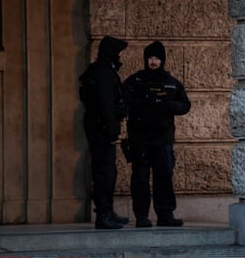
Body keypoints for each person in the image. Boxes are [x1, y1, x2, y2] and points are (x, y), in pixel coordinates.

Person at [123, 41, 191, 227]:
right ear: (146, 59)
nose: (153, 62)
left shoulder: (171, 83)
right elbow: (122, 101)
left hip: (163, 139)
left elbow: (185, 105)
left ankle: (165, 215)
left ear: (162, 60)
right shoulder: (135, 81)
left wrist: (167, 105)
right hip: (140, 139)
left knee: (164, 178)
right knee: (140, 180)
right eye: (150, 58)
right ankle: (142, 216)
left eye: (157, 58)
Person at [79, 36, 129, 229]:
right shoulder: (104, 74)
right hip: (102, 129)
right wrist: (113, 130)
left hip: (98, 127)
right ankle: (103, 214)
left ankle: (107, 211)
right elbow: (106, 105)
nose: (121, 55)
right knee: (105, 173)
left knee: (107, 172)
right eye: (119, 52)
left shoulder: (96, 71)